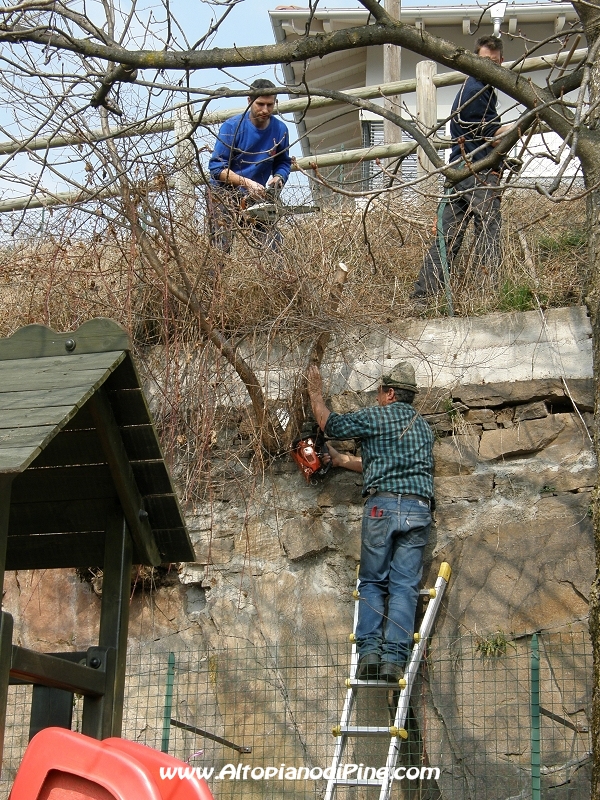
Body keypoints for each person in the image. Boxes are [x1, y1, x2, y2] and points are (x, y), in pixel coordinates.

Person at [307, 362, 434, 682]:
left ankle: (369, 654)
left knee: (374, 581)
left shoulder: (379, 416)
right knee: (405, 585)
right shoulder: (422, 427)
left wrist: (315, 395)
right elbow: (383, 464)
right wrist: (340, 460)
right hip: (418, 509)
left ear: (390, 393)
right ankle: (393, 660)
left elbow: (331, 425)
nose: (377, 398)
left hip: (382, 508)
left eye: (379, 392)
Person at [413, 36, 511, 301]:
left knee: (448, 238)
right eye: (482, 61)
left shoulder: (476, 88)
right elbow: (488, 131)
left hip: (457, 170)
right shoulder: (477, 88)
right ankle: (488, 294)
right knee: (488, 225)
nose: (488, 66)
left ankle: (423, 298)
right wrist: (521, 125)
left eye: (492, 62)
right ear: (472, 62)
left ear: (501, 61)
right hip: (475, 169)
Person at [207, 78, 292, 253]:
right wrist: (247, 183)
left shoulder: (280, 130)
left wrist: (279, 176)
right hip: (223, 195)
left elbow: (283, 162)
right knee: (219, 251)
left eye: (270, 105)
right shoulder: (231, 127)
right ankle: (212, 281)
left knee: (273, 248)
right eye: (260, 104)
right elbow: (216, 169)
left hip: (257, 197)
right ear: (249, 101)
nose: (265, 110)